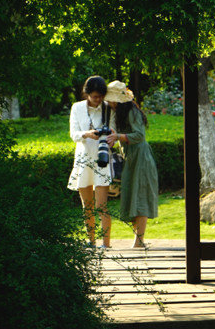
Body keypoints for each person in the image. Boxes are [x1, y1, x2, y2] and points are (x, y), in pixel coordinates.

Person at [105, 80, 158, 248]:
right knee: (132, 196)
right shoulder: (118, 113)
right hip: (130, 157)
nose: (110, 103)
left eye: (111, 100)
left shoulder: (132, 112)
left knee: (140, 195)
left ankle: (139, 241)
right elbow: (117, 131)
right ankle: (138, 240)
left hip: (140, 157)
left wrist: (118, 137)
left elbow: (139, 135)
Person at [68, 76, 114, 248]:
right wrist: (86, 133)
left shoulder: (109, 108)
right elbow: (73, 134)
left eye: (100, 96)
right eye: (94, 96)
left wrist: (112, 136)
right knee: (86, 205)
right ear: (86, 94)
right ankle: (91, 242)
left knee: (102, 205)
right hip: (83, 159)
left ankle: (106, 243)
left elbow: (113, 135)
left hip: (102, 159)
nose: (97, 99)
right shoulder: (77, 108)